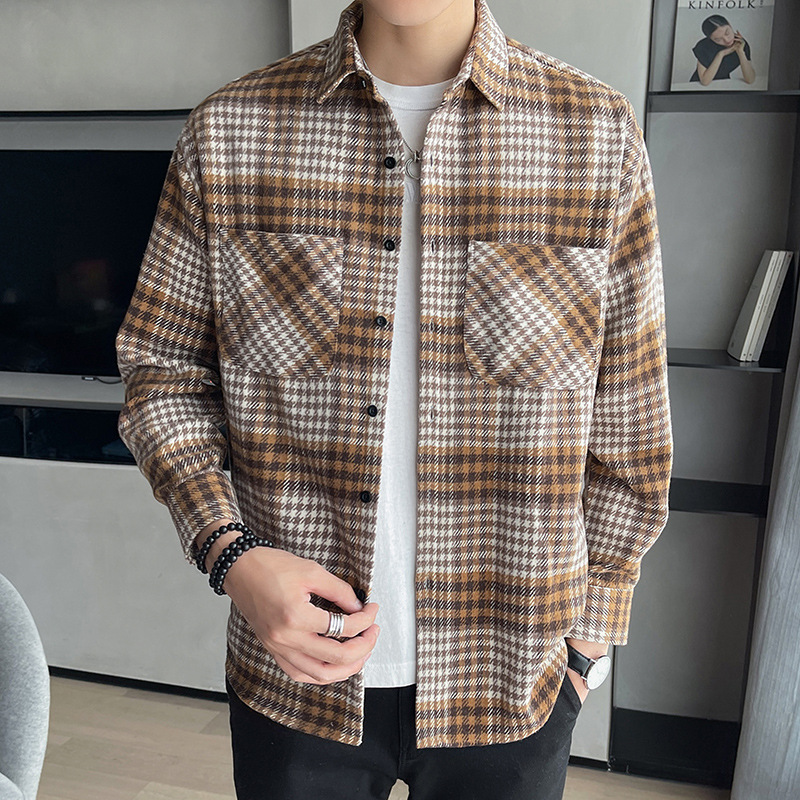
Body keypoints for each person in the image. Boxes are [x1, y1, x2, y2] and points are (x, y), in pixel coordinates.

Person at [115, 0, 673, 797]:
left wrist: (588, 644)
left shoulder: (595, 133)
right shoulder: (230, 130)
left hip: (515, 680)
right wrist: (229, 554)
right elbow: (162, 374)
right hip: (295, 685)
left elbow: (631, 417)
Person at [689, 14, 755, 85]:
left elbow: (750, 79)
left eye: (727, 33)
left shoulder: (740, 43)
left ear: (729, 25)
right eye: (718, 39)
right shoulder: (703, 46)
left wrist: (740, 52)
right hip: (697, 85)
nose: (727, 40)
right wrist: (721, 54)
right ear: (711, 39)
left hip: (723, 84)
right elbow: (705, 81)